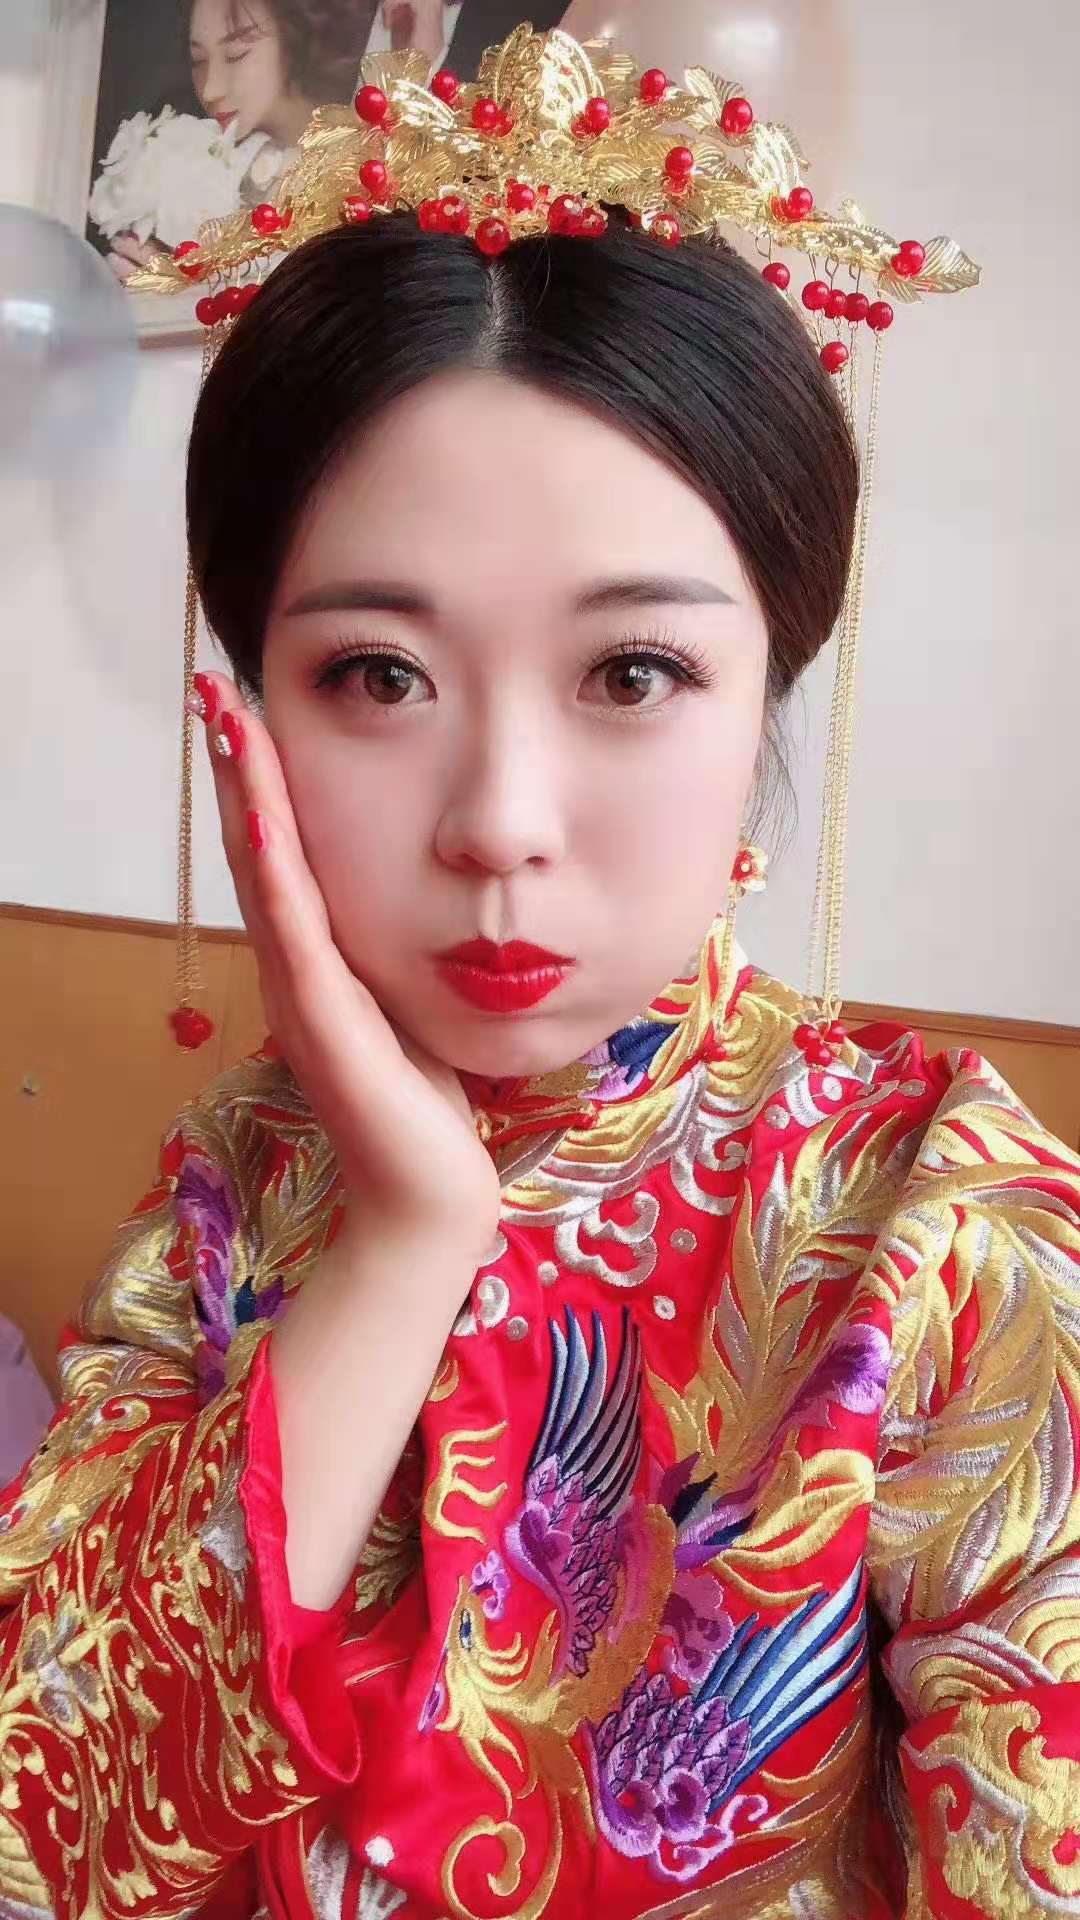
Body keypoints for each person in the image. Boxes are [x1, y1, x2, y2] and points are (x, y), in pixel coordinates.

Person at [6, 27, 1079, 1920]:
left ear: (766, 696)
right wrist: (408, 1237)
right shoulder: (237, 1184)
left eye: (633, 672)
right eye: (377, 676)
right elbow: (48, 1831)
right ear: (250, 718)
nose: (500, 821)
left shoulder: (939, 1223)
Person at [98, 0, 378, 280]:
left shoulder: (362, 164)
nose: (211, 90)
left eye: (235, 55)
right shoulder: (206, 159)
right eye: (198, 60)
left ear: (297, 36)